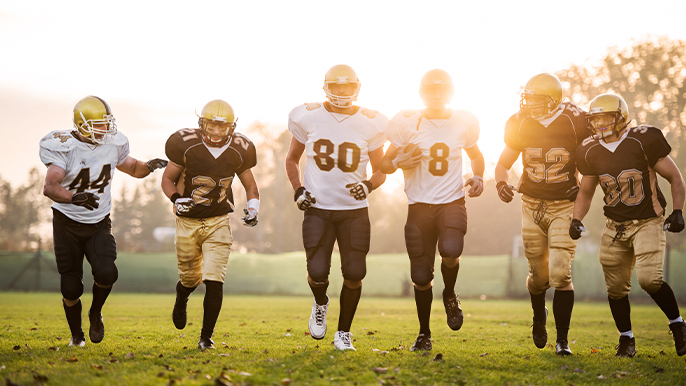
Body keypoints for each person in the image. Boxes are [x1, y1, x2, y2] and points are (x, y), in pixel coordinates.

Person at [40, 95, 168, 347]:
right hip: (67, 221)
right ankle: (76, 336)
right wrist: (73, 197)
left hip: (98, 220)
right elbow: (50, 186)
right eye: (99, 124)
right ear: (82, 123)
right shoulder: (64, 146)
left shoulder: (113, 143)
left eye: (107, 123)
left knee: (108, 272)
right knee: (70, 288)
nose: (105, 129)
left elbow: (131, 167)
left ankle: (95, 312)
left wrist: (148, 166)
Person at [570, 93, 686, 357]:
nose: (600, 124)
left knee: (649, 279)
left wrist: (678, 211)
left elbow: (675, 177)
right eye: (595, 118)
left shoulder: (643, 139)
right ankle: (626, 339)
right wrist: (576, 219)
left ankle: (678, 324)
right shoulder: (589, 149)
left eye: (605, 117)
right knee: (615, 288)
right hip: (614, 226)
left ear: (620, 117)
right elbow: (586, 192)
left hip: (648, 221)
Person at [285, 64, 388, 351]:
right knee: (317, 272)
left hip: (354, 211)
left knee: (355, 273)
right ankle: (320, 302)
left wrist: (369, 185)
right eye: (337, 86)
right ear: (326, 87)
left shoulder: (372, 122)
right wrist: (298, 190)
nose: (342, 92)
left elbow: (381, 170)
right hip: (317, 207)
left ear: (356, 87)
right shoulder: (308, 116)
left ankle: (343, 333)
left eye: (347, 86)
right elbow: (291, 159)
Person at [381, 69, 484, 351]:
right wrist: (399, 159)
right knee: (421, 277)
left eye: (441, 90)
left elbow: (476, 155)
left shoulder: (463, 121)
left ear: (450, 93)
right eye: (431, 90)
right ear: (422, 93)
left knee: (451, 251)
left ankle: (449, 293)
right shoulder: (407, 122)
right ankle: (424, 334)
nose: (436, 95)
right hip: (418, 206)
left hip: (451, 201)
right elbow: (384, 165)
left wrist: (478, 176)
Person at [495, 73, 589, 355]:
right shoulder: (520, 122)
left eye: (536, 100)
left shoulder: (575, 121)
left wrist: (582, 193)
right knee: (539, 277)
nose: (529, 105)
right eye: (528, 98)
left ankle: (562, 340)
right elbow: (502, 163)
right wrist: (500, 182)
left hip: (563, 204)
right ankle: (539, 316)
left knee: (560, 272)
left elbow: (592, 165)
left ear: (553, 100)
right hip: (532, 205)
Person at [161, 99, 259, 350]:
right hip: (188, 222)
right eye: (211, 126)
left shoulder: (240, 149)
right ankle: (182, 296)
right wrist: (176, 199)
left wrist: (253, 208)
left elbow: (251, 186)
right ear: (202, 123)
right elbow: (167, 179)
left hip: (218, 220)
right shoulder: (185, 144)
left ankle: (206, 337)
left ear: (232, 127)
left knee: (214, 279)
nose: (216, 132)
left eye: (222, 127)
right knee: (190, 279)